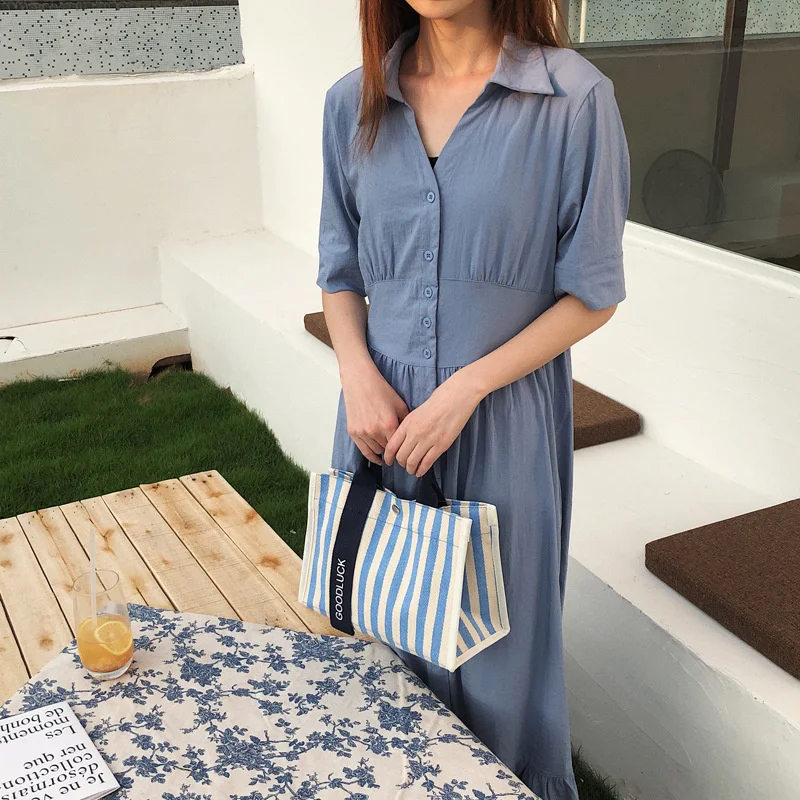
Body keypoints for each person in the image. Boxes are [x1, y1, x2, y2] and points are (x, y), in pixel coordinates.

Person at [316, 1, 630, 798]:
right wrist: (356, 374)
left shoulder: (572, 100)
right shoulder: (353, 101)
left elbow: (593, 292)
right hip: (379, 427)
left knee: (498, 661)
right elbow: (339, 272)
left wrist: (468, 386)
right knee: (380, 641)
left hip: (501, 427)